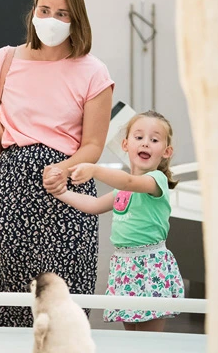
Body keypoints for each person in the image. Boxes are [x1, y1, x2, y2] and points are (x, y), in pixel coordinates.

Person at [0, 0, 114, 327]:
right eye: (45, 10)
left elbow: (93, 145)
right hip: (12, 193)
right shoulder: (4, 60)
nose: (51, 20)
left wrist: (64, 168)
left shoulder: (93, 72)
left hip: (67, 192)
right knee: (9, 290)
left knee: (66, 296)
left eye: (62, 14)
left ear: (76, 20)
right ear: (33, 13)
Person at [47, 110, 185, 332]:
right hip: (125, 266)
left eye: (154, 139)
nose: (146, 144)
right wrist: (60, 193)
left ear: (166, 151)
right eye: (138, 137)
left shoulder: (155, 180)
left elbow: (130, 181)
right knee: (131, 336)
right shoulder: (122, 190)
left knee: (149, 342)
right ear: (125, 144)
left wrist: (94, 169)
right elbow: (93, 205)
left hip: (150, 266)